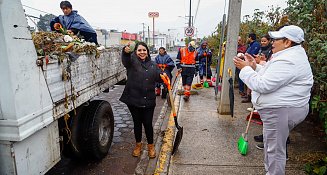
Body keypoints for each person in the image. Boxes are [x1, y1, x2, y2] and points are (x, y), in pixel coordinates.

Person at [234, 25, 313, 175]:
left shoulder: (288, 60)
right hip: (281, 110)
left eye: (276, 39)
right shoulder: (288, 56)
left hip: (280, 111)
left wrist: (245, 69)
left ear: (287, 42)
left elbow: (263, 85)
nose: (272, 42)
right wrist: (254, 66)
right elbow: (271, 76)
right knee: (273, 147)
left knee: (275, 151)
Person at [120, 42, 162, 158]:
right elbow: (125, 60)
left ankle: (150, 146)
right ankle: (138, 145)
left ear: (147, 51)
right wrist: (125, 51)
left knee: (148, 124)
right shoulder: (131, 62)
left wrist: (165, 77)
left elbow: (160, 76)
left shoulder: (154, 65)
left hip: (149, 100)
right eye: (139, 50)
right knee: (137, 123)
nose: (142, 52)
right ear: (135, 52)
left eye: (144, 50)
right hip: (133, 99)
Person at [242, 33, 261, 103]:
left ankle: (250, 96)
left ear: (250, 38)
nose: (247, 39)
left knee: (251, 80)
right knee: (247, 81)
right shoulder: (250, 45)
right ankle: (247, 95)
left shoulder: (256, 45)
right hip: (248, 63)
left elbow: (252, 54)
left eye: (248, 37)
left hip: (253, 64)